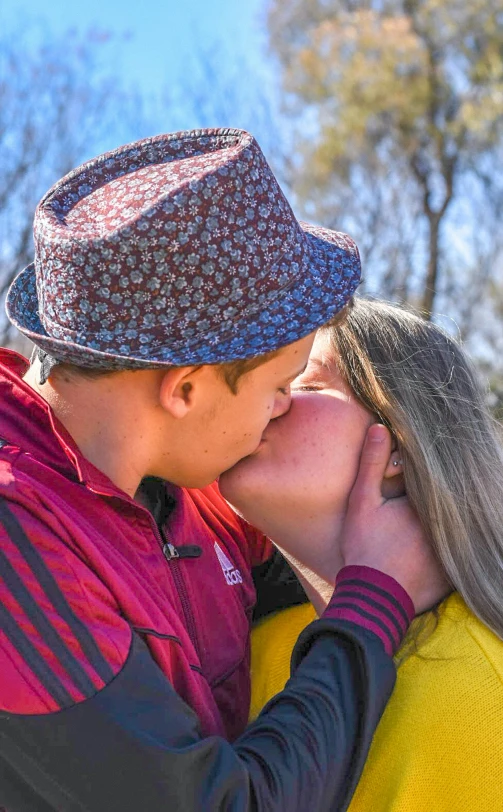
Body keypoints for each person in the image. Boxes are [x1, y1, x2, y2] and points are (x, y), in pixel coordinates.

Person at [0, 129, 444, 812]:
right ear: (184, 390)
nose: (280, 413)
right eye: (280, 386)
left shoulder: (178, 486)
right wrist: (374, 599)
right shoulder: (17, 539)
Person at [220, 298, 503, 811]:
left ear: (400, 440)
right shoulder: (244, 648)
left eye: (303, 383)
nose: (268, 399)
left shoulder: (486, 696)